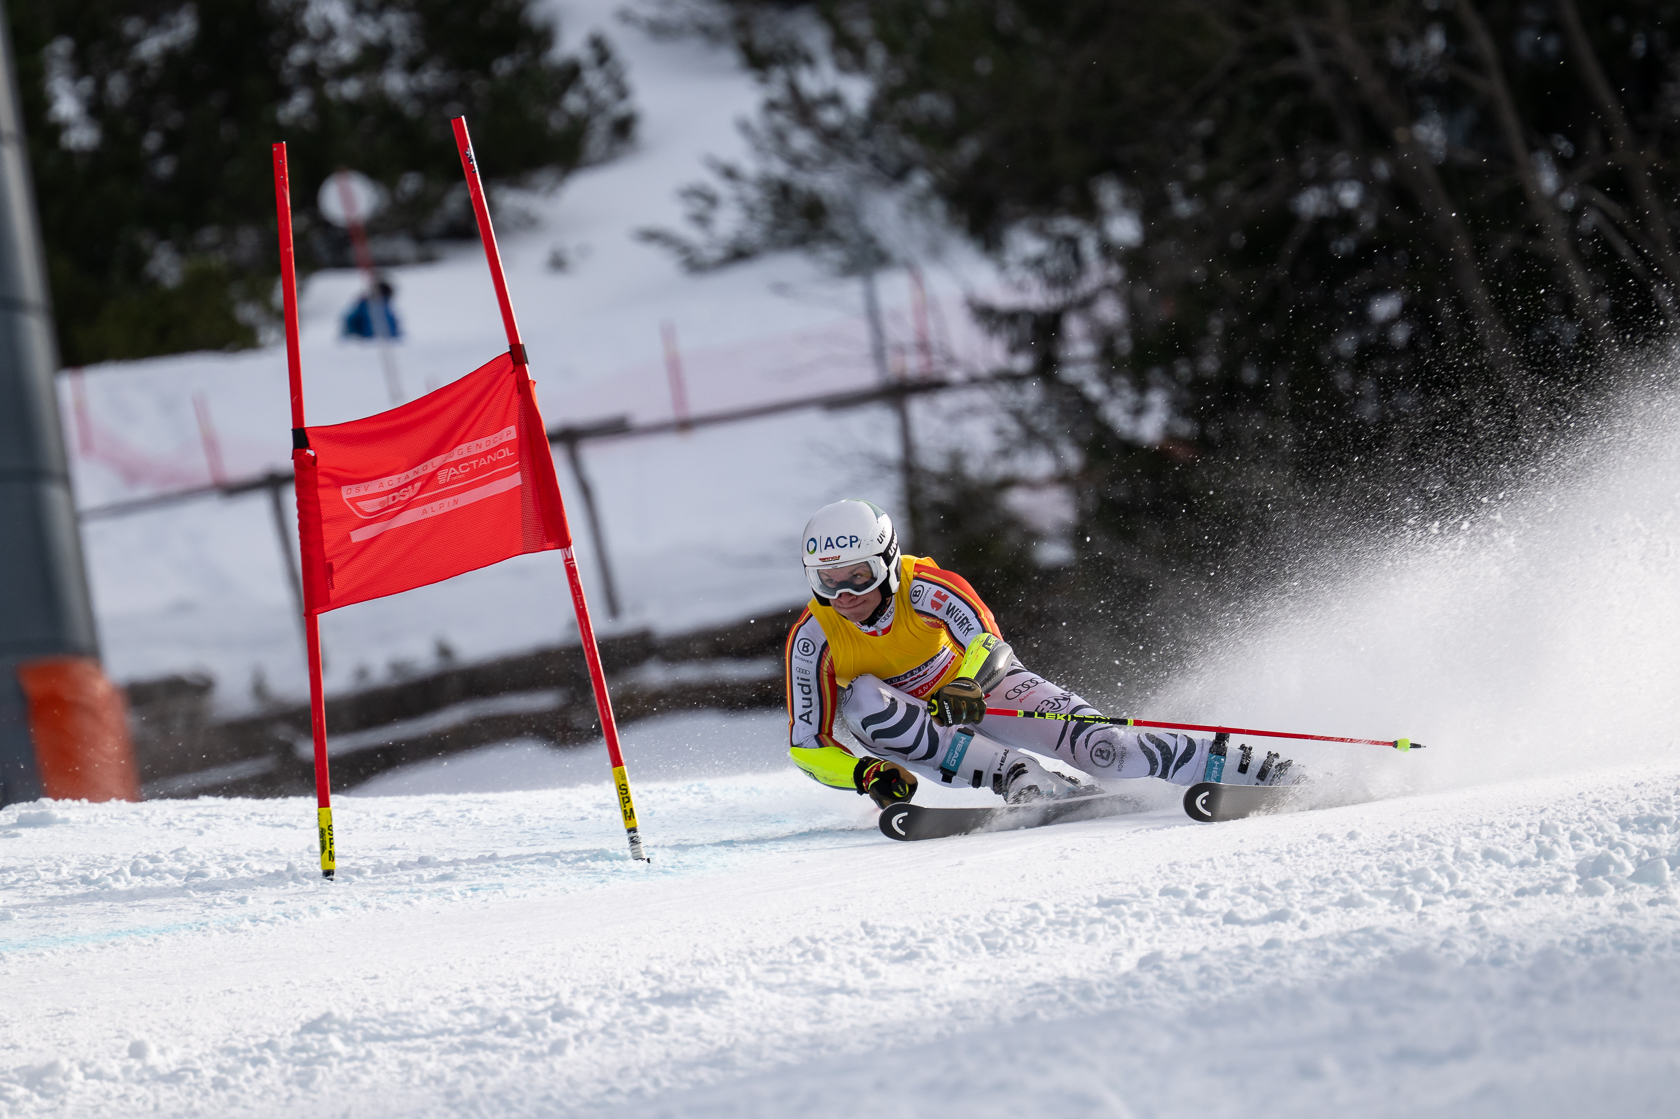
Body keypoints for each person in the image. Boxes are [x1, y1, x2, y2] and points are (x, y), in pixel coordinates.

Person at [783, 499, 1294, 807]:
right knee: (864, 701)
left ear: (889, 562)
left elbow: (988, 642)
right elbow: (807, 742)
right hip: (920, 725)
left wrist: (967, 683)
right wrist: (863, 774)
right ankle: (1017, 777)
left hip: (982, 691)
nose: (845, 595)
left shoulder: (928, 587)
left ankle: (1239, 763)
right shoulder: (814, 638)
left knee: (1108, 752)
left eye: (859, 576)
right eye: (827, 582)